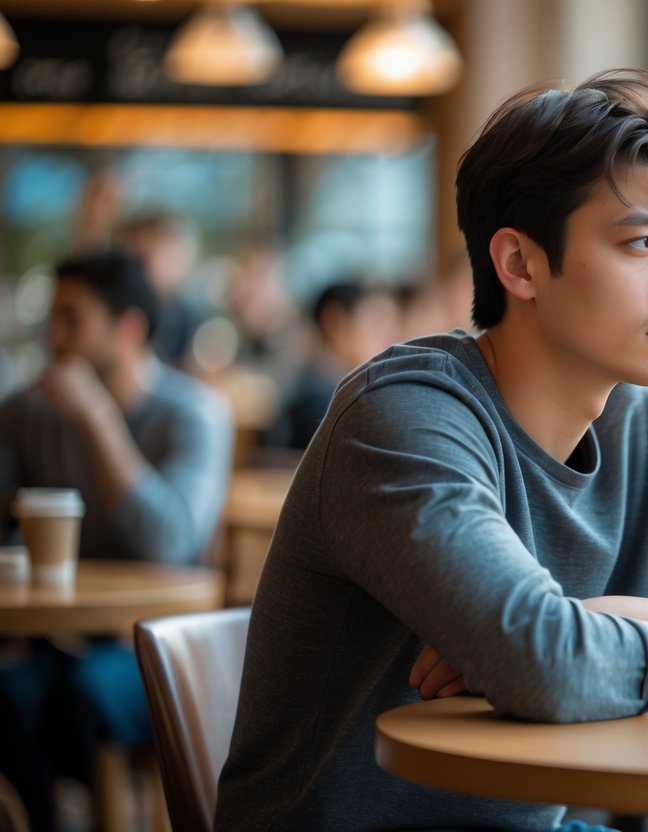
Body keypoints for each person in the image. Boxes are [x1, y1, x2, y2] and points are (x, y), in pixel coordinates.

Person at [214, 69, 648, 832]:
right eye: (641, 243)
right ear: (518, 264)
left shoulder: (641, 426)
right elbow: (546, 665)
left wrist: (599, 615)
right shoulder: (402, 417)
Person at [0, 252, 233, 832]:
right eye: (51, 319)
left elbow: (170, 542)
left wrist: (99, 419)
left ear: (128, 327)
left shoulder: (193, 414)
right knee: (8, 696)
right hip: (54, 637)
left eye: (72, 320)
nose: (54, 338)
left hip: (156, 643)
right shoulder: (29, 413)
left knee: (85, 695)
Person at [264, 280, 401, 450]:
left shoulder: (327, 389)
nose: (391, 338)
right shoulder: (319, 400)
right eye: (378, 325)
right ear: (334, 321)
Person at [117, 209, 211, 367]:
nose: (133, 268)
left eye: (143, 257)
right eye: (130, 256)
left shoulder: (197, 322)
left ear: (180, 257)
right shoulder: (116, 311)